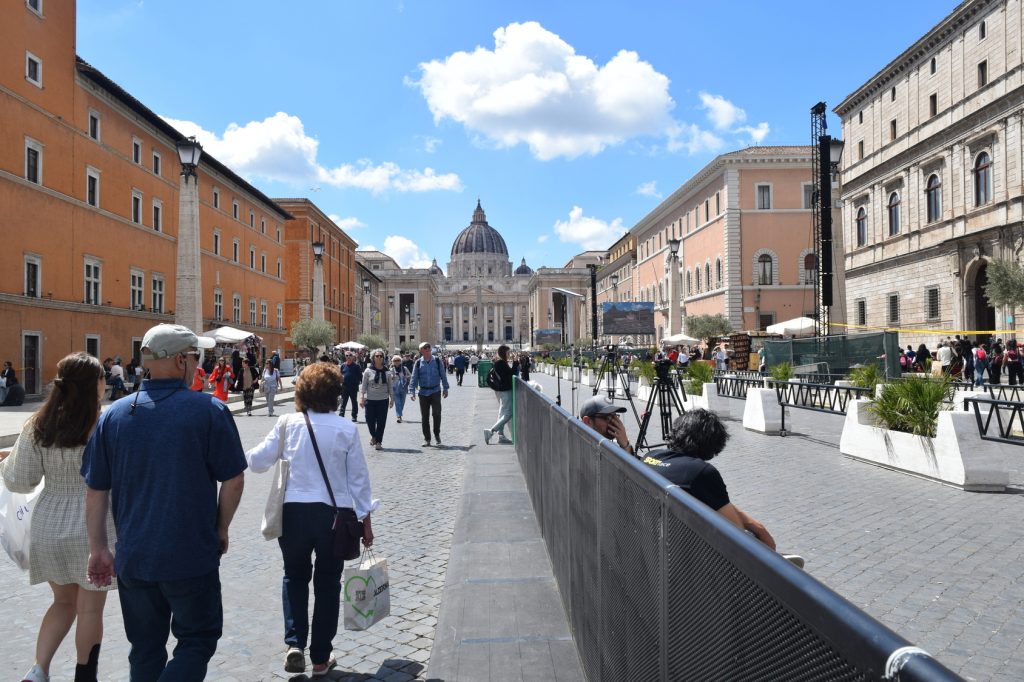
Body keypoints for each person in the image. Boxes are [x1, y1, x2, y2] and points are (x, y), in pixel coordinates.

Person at [82, 324, 246, 680]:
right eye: (195, 357)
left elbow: (95, 490)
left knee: (144, 648)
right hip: (191, 553)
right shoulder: (209, 411)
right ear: (179, 361)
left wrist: (98, 549)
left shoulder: (113, 416)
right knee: (198, 639)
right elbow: (234, 479)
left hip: (135, 557)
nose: (197, 364)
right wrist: (221, 528)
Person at [245, 362, 377, 677]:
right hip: (334, 516)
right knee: (328, 583)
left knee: (294, 576)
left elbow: (257, 462)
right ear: (335, 394)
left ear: (302, 392)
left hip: (293, 513)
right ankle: (320, 657)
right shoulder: (346, 428)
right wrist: (366, 523)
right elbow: (359, 480)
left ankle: (294, 644)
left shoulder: (287, 423)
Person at [1, 352, 116, 682]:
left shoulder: (39, 424)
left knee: (62, 602)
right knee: (90, 608)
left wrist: (7, 461)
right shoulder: (106, 424)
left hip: (48, 524)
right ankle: (85, 675)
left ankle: (38, 670)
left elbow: (20, 480)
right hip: (95, 525)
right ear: (95, 384)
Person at [641, 409, 802, 566]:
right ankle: (774, 568)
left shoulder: (650, 457)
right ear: (712, 443)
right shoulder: (701, 472)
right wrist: (757, 531)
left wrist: (751, 522)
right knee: (749, 536)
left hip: (649, 540)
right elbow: (736, 532)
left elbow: (713, 501)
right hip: (687, 554)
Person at [409, 342, 449, 447]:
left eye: (428, 347)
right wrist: (412, 391)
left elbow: (443, 375)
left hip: (435, 391)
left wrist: (445, 388)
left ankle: (437, 434)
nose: (427, 349)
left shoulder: (437, 360)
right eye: (425, 347)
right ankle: (427, 439)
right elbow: (414, 377)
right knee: (424, 417)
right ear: (421, 350)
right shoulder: (418, 362)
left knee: (437, 414)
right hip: (423, 392)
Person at [360, 349, 395, 450]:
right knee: (369, 420)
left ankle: (379, 441)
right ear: (373, 358)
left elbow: (390, 386)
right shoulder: (368, 371)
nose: (379, 357)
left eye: (381, 356)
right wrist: (362, 397)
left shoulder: (387, 372)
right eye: (377, 356)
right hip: (370, 400)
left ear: (383, 358)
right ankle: (374, 436)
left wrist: (392, 399)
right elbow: (363, 386)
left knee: (381, 421)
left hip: (383, 400)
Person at [483, 344, 515, 445]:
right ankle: (491, 431)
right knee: (509, 413)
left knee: (502, 412)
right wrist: (516, 362)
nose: (510, 354)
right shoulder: (501, 363)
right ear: (504, 353)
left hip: (502, 390)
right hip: (506, 390)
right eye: (508, 352)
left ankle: (501, 436)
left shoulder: (500, 362)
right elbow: (511, 374)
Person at [338, 353, 362, 422]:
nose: (348, 357)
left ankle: (354, 416)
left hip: (353, 387)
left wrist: (358, 383)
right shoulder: (343, 365)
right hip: (344, 387)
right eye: (347, 355)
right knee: (343, 402)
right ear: (345, 357)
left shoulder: (356, 366)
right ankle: (341, 415)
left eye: (350, 355)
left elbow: (360, 376)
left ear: (353, 357)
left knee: (354, 402)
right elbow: (340, 375)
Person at [390, 355, 410, 423]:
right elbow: (389, 379)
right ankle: (399, 416)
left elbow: (410, 376)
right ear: (393, 362)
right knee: (397, 403)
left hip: (403, 388)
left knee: (402, 402)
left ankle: (399, 413)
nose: (397, 362)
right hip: (395, 389)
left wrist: (406, 377)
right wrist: (391, 377)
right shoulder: (392, 370)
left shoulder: (404, 368)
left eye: (398, 360)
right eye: (395, 361)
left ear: (400, 361)